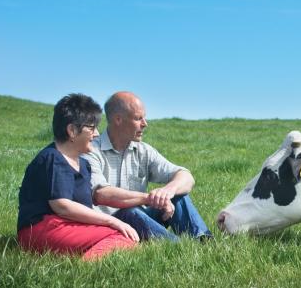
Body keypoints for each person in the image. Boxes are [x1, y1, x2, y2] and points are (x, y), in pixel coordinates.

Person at [17, 94, 139, 261]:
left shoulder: (83, 164)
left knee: (125, 238)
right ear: (72, 131)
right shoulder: (53, 158)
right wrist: (112, 221)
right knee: (121, 238)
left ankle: (87, 258)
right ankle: (85, 267)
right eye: (92, 127)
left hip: (66, 225)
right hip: (41, 228)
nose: (97, 134)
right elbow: (62, 206)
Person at [83, 91, 212, 242]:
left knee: (178, 196)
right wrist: (150, 199)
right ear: (118, 119)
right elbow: (101, 194)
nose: (145, 123)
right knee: (130, 211)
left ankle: (204, 241)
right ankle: (176, 247)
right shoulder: (90, 151)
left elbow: (186, 176)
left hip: (142, 220)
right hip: (110, 227)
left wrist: (166, 192)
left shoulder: (144, 151)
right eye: (138, 118)